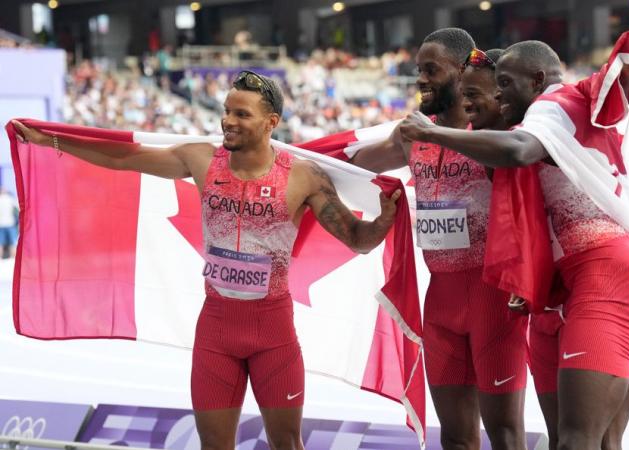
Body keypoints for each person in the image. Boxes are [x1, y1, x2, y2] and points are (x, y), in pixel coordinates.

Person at [13, 70, 401, 450]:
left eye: (241, 114)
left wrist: (384, 221)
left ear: (272, 123)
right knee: (214, 445)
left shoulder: (303, 177)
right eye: (227, 111)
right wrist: (53, 140)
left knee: (286, 442)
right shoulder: (201, 159)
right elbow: (123, 157)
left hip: (274, 334)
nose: (228, 121)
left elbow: (357, 240)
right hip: (216, 331)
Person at [397, 37, 629, 450]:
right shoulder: (545, 120)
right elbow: (603, 144)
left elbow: (520, 150)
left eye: (503, 84)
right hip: (559, 291)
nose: (498, 94)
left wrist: (438, 134)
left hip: (604, 280)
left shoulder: (551, 106)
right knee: (577, 442)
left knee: (578, 442)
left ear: (536, 80)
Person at [351, 27, 529, 450]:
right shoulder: (413, 137)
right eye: (418, 70)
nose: (421, 79)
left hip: (494, 299)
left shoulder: (494, 129)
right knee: (453, 437)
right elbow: (348, 160)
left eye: (431, 69)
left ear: (460, 69)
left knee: (505, 434)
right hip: (441, 303)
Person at [0, 187, 19, 259]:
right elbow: (18, 209)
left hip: (1, 224)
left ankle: (1, 258)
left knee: (0, 243)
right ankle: (12, 258)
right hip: (10, 224)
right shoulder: (10, 199)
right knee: (13, 242)